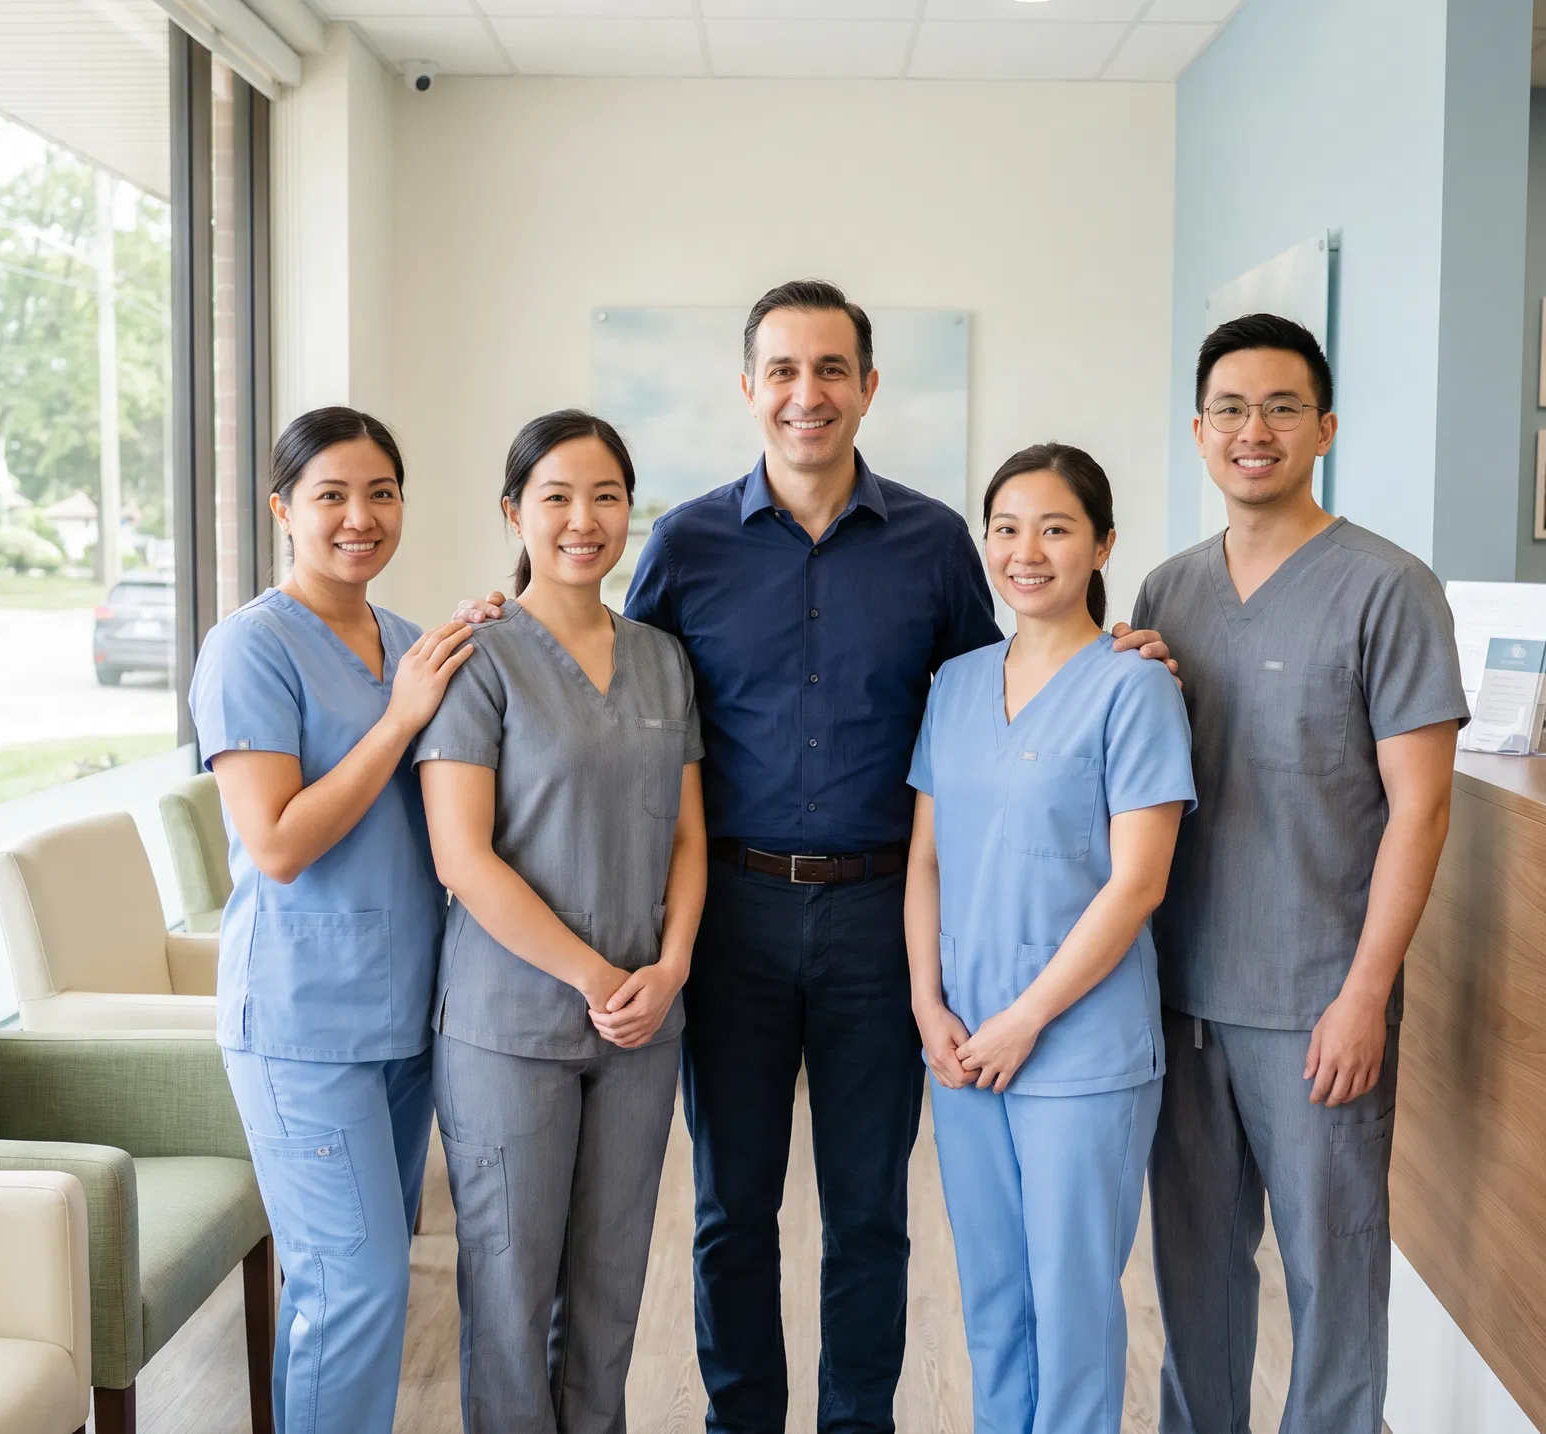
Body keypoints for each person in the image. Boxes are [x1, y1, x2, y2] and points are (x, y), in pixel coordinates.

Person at [456, 278, 1176, 1433]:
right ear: (750, 390)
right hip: (730, 914)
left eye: (831, 370)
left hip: (878, 919)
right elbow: (614, 683)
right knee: (732, 1208)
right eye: (783, 372)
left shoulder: (940, 543)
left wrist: (1120, 647)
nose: (808, 395)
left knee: (869, 1210)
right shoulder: (686, 543)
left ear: (869, 387)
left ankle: (858, 1423)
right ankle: (740, 1419)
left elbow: (1008, 696)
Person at [1136, 313, 1466, 1434]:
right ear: (1197, 431)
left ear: (1324, 427)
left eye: (1282, 407)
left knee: (1332, 1283)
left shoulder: (1388, 588)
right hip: (1180, 993)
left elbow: (1422, 808)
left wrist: (1366, 993)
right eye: (1230, 409)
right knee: (1194, 1279)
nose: (1254, 430)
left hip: (1319, 993)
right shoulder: (1163, 594)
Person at [414, 411, 707, 1433]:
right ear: (514, 512)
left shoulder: (664, 659)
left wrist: (669, 968)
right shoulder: (479, 656)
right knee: (508, 1291)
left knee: (611, 1288)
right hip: (512, 1026)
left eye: (607, 497)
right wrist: (595, 976)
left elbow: (685, 839)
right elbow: (463, 857)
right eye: (557, 497)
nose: (584, 520)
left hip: (644, 1027)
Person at [189, 407, 476, 1434]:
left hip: (405, 1020)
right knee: (349, 1294)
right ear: (283, 509)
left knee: (369, 1285)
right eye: (332, 495)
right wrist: (401, 718)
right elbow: (276, 843)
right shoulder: (249, 648)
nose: (361, 517)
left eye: (382, 493)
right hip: (305, 1025)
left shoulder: (407, 644)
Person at [906, 443, 1195, 1434]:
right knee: (994, 1301)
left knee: (1071, 1310)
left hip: (1080, 1046)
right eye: (1006, 527)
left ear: (1103, 544)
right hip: (962, 1043)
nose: (1026, 551)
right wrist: (927, 1006)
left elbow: (1139, 881)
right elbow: (928, 862)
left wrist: (1025, 1020)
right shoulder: (955, 683)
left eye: (1056, 527)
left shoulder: (1133, 686)